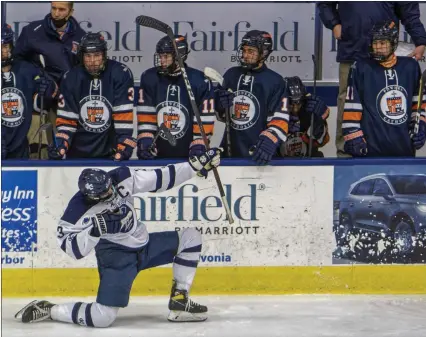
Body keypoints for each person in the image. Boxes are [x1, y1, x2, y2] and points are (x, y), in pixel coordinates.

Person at [15, 147, 222, 327]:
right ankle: (50, 310)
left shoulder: (119, 177)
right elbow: (71, 249)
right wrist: (94, 231)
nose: (111, 192)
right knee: (102, 318)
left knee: (191, 237)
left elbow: (160, 178)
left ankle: (180, 300)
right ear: (92, 197)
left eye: (110, 187)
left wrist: (195, 166)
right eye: (105, 193)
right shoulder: (76, 211)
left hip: (144, 244)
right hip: (116, 257)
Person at [318, 2, 426, 157]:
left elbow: (408, 9)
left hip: (386, 50)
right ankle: (345, 155)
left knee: (389, 100)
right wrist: (334, 24)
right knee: (347, 102)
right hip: (353, 49)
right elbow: (324, 4)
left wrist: (420, 39)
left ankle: (396, 154)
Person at [13, 1, 86, 159]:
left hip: (67, 100)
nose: (56, 13)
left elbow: (82, 71)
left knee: (67, 146)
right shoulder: (32, 32)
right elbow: (17, 61)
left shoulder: (81, 37)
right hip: (38, 98)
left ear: (71, 11)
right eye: (54, 8)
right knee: (38, 147)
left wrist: (68, 87)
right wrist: (38, 77)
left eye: (61, 9)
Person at [342, 21, 426, 157]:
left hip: (403, 148)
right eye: (375, 43)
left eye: (382, 43)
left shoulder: (410, 67)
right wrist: (352, 134)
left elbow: (419, 103)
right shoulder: (361, 67)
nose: (378, 47)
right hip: (371, 148)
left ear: (392, 43)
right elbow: (352, 105)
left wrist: (420, 126)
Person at [48, 32, 136, 160]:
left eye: (97, 55)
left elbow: (123, 117)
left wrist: (123, 146)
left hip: (109, 153)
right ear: (81, 56)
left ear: (104, 55)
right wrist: (62, 145)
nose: (93, 61)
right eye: (88, 56)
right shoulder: (71, 77)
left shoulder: (120, 73)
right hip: (76, 153)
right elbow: (67, 121)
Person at [215, 30, 290, 165]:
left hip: (260, 153)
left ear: (264, 53)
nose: (245, 55)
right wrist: (220, 105)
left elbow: (280, 118)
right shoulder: (231, 75)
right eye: (244, 50)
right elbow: (221, 116)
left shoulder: (275, 81)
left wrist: (270, 139)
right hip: (230, 152)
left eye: (251, 51)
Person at [136, 35, 216, 159]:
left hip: (189, 155)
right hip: (157, 155)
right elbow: (146, 114)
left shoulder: (200, 81)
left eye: (166, 56)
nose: (162, 60)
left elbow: (204, 118)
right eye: (160, 56)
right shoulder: (149, 77)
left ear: (180, 56)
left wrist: (199, 143)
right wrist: (146, 138)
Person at [1, 24, 58, 159]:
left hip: (20, 146)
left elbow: (40, 104)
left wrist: (46, 92)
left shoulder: (26, 69)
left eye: (4, 46)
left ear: (11, 47)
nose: (1, 51)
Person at [278, 76, 330, 158]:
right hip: (280, 160)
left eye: (298, 103)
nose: (295, 108)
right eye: (291, 103)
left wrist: (319, 124)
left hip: (307, 159)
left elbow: (322, 142)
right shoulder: (275, 112)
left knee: (318, 156)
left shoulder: (311, 112)